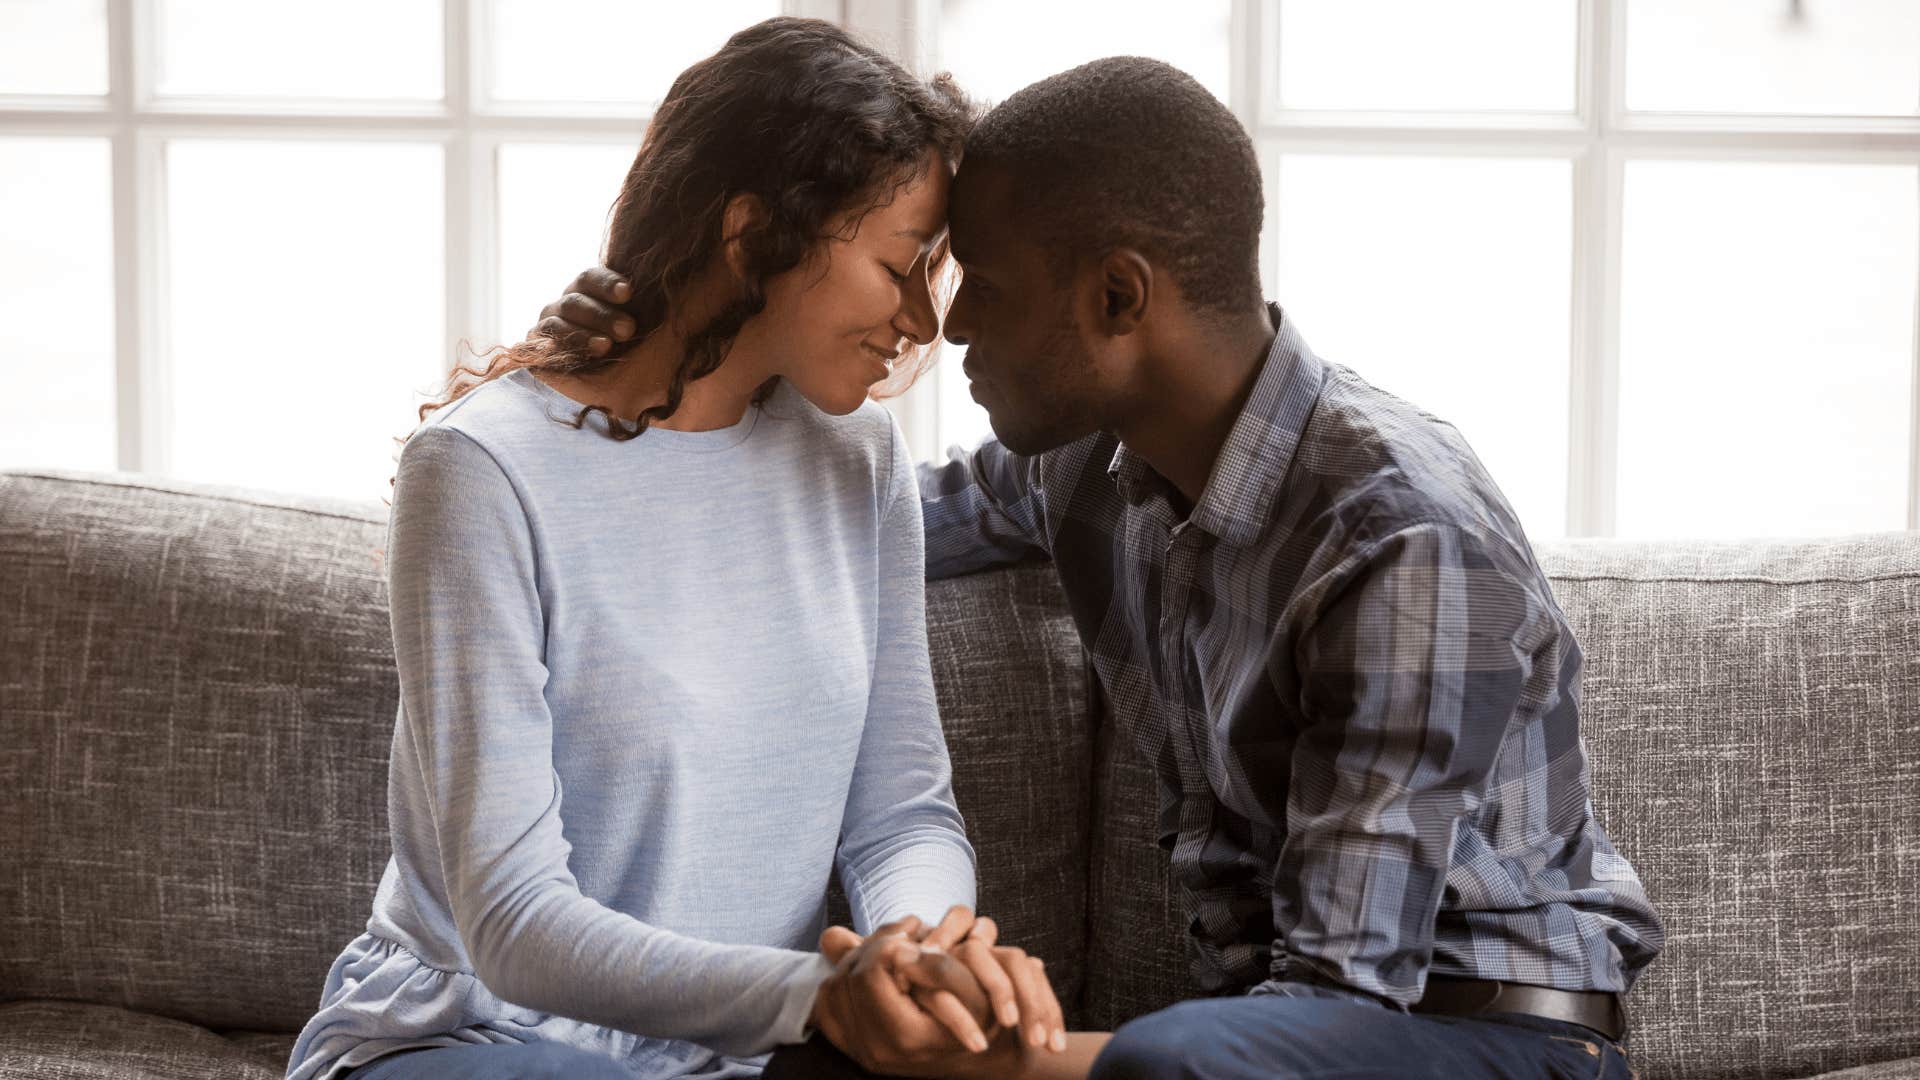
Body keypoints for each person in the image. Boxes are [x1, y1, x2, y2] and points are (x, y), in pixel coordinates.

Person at [537, 55, 1666, 1079]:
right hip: (1250, 1036)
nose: (949, 322)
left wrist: (974, 1054)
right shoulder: (1081, 462)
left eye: (981, 277)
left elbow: (1342, 993)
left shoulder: (1400, 538)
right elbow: (826, 521)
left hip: (1487, 1034)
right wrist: (643, 377)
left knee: (1155, 1070)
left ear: (1119, 298)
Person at [284, 18, 1069, 1080]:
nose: (925, 321)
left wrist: (917, 959)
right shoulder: (478, 472)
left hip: (738, 1054)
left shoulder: (860, 459)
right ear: (750, 237)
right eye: (900, 267)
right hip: (481, 1038)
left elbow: (901, 817)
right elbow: (513, 923)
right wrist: (822, 999)